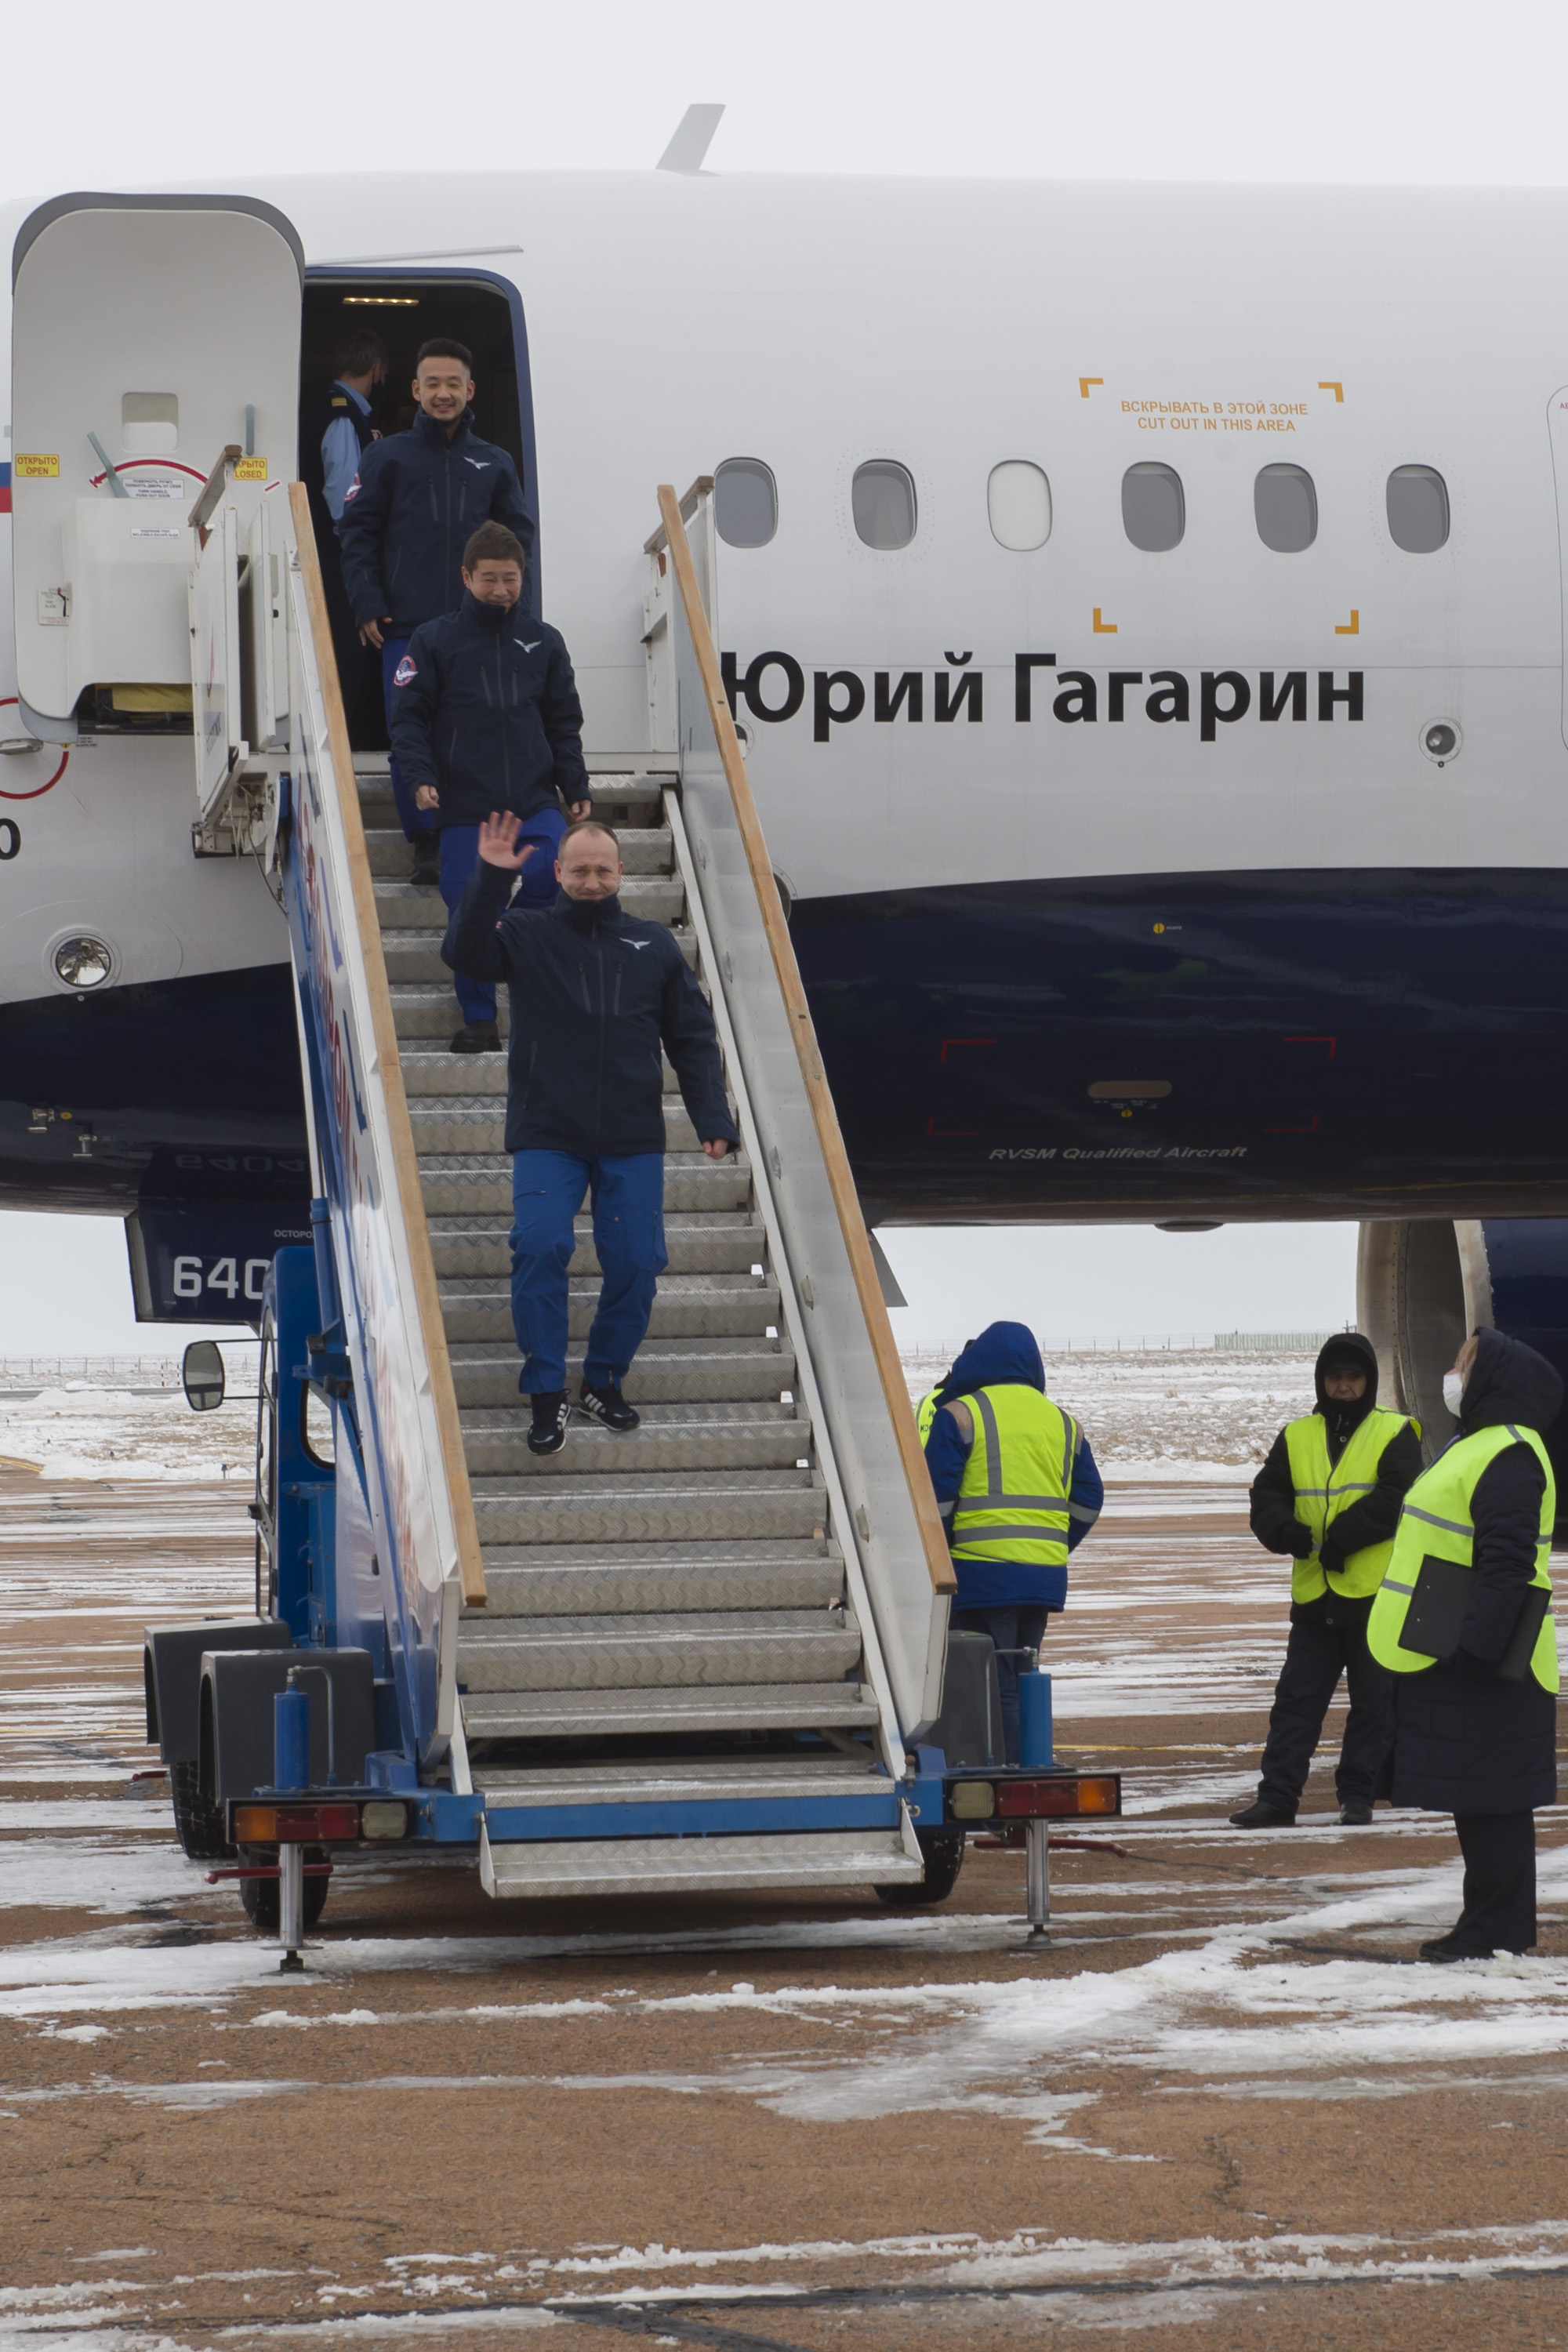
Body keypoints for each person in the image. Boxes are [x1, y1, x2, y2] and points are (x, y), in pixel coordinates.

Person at [442, 812, 740, 1454]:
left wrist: (712, 1118)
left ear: (621, 873)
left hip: (632, 1138)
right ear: (558, 872)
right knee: (540, 1247)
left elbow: (692, 1038)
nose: (592, 880)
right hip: (548, 1132)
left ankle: (603, 1379)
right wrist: (491, 879)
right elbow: (464, 954)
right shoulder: (526, 933)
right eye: (579, 869)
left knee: (637, 1263)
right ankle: (546, 1393)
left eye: (603, 869)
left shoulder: (654, 945)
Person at [1369, 1327, 1562, 1960]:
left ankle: (1496, 1929)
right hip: (1452, 1643)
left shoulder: (1509, 1453)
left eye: (1464, 1363)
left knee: (1494, 1799)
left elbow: (1507, 1563)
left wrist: (1477, 1648)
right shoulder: (1476, 1443)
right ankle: (1486, 1923)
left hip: (1489, 1656)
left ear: (1493, 1379)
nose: (1453, 1373)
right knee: (1478, 1796)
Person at [339, 338, 535, 886]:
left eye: (453, 384)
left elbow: (519, 543)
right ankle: (425, 840)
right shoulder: (386, 457)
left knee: (473, 731)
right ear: (416, 390)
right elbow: (357, 533)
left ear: (470, 390)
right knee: (411, 734)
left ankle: (468, 834)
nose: (443, 393)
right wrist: (368, 603)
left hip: (479, 626)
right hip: (407, 625)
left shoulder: (495, 462)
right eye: (433, 384)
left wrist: (516, 611)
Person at [390, 522, 591, 1052]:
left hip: (533, 798)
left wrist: (574, 783)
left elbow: (563, 722)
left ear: (524, 577)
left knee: (555, 876)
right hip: (465, 805)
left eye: (510, 579)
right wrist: (421, 778)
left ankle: (506, 940)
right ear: (466, 577)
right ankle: (480, 1018)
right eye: (489, 580)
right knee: (467, 908)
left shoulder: (545, 642)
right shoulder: (433, 640)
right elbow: (408, 719)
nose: (501, 590)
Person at [1231, 1332, 1420, 1831]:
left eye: (1353, 1377)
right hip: (1316, 1597)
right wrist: (1283, 1531)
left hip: (1374, 1598)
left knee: (1372, 1707)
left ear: (1368, 1381)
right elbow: (1267, 1495)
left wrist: (1345, 1538)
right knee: (1295, 1705)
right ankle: (1277, 1799)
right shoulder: (1296, 1436)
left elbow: (1398, 1495)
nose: (1343, 1386)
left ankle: (1357, 1797)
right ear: (1322, 1381)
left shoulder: (1396, 1431)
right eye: (1335, 1377)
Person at [919, 1322, 1103, 1764]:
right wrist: (1053, 1545)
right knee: (1026, 1673)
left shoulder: (961, 1414)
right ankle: (1033, 1763)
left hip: (981, 1574)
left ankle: (1011, 1774)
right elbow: (1089, 1499)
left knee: (993, 1682)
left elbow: (934, 1501)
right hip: (1043, 1577)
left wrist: (937, 1557)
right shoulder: (1063, 1423)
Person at [299, 330, 387, 741]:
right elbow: (343, 497)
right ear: (377, 369)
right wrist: (358, 551)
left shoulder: (336, 410)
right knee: (349, 654)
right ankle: (345, 743)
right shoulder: (342, 415)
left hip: (335, 552)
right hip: (340, 555)